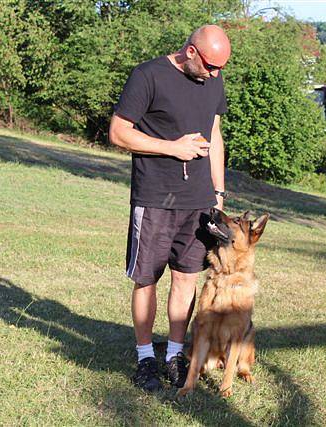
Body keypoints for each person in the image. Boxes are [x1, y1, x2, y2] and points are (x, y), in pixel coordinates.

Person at [108, 25, 231, 392]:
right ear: (191, 51)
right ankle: (145, 358)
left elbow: (215, 135)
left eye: (221, 68)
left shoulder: (214, 80)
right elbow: (117, 132)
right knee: (146, 279)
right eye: (211, 66)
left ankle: (174, 355)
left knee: (186, 278)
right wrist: (172, 147)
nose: (215, 75)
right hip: (155, 197)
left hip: (199, 203)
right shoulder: (148, 76)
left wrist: (219, 193)